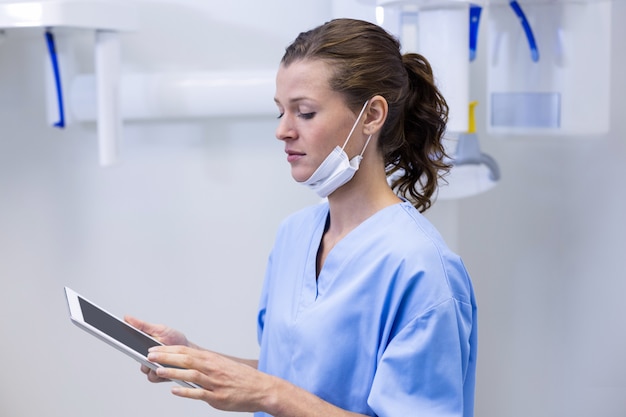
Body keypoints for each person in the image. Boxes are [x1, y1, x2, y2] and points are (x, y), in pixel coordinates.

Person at [125, 17, 477, 417]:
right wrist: (193, 357)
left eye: (305, 113)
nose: (283, 131)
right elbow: (289, 377)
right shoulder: (295, 235)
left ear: (372, 116)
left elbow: (277, 392)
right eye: (281, 112)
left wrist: (268, 395)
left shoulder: (423, 269)